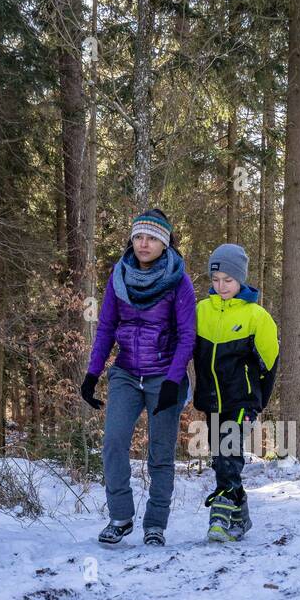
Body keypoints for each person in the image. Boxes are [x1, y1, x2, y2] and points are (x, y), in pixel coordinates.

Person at [80, 208, 196, 546]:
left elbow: (188, 335)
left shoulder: (179, 281)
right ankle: (120, 517)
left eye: (152, 238)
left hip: (164, 376)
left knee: (160, 454)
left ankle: (155, 525)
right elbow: (105, 328)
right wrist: (92, 374)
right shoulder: (119, 275)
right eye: (138, 237)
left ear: (165, 243)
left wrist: (175, 380)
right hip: (127, 373)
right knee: (114, 441)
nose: (143, 244)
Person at [192, 242, 279, 541]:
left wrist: (258, 402)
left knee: (229, 454)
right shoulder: (201, 311)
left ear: (240, 279)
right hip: (211, 401)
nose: (221, 286)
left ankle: (220, 520)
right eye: (215, 280)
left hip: (242, 400)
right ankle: (243, 517)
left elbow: (270, 364)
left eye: (228, 280)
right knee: (220, 457)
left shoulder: (257, 316)